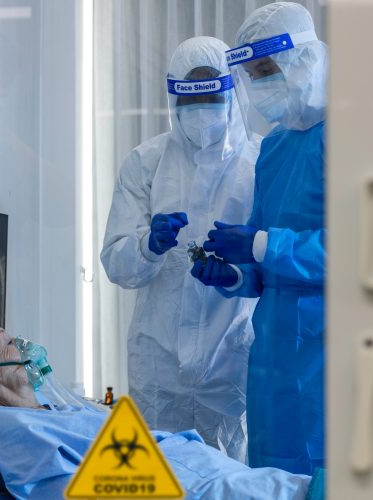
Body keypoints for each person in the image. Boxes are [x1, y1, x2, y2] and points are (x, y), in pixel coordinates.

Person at [0, 316, 323, 500]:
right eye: (7, 342)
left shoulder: (47, 409)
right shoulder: (14, 431)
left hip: (214, 475)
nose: (23, 345)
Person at [99, 36, 260, 462]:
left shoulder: (259, 162)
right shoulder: (145, 163)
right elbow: (115, 261)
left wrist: (236, 275)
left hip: (230, 357)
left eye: (212, 96)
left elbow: (274, 265)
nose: (201, 111)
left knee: (228, 475)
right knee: (158, 473)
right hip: (158, 361)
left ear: (231, 91)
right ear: (174, 100)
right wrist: (148, 247)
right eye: (190, 101)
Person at [190, 2, 328, 474]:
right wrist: (232, 275)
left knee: (331, 471)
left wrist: (259, 245)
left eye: (266, 69)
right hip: (273, 355)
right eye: (252, 73)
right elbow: (263, 263)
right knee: (270, 473)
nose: (260, 83)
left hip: (334, 349)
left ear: (304, 60)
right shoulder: (273, 147)